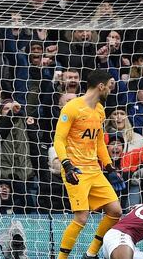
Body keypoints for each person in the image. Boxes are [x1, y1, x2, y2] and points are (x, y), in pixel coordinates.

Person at [53, 69, 122, 259]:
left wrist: (109, 167)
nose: (110, 89)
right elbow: (58, 139)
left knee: (115, 211)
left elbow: (99, 141)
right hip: (76, 170)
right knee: (82, 217)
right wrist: (66, 165)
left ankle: (91, 254)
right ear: (101, 86)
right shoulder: (72, 108)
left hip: (95, 170)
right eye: (109, 85)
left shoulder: (100, 110)